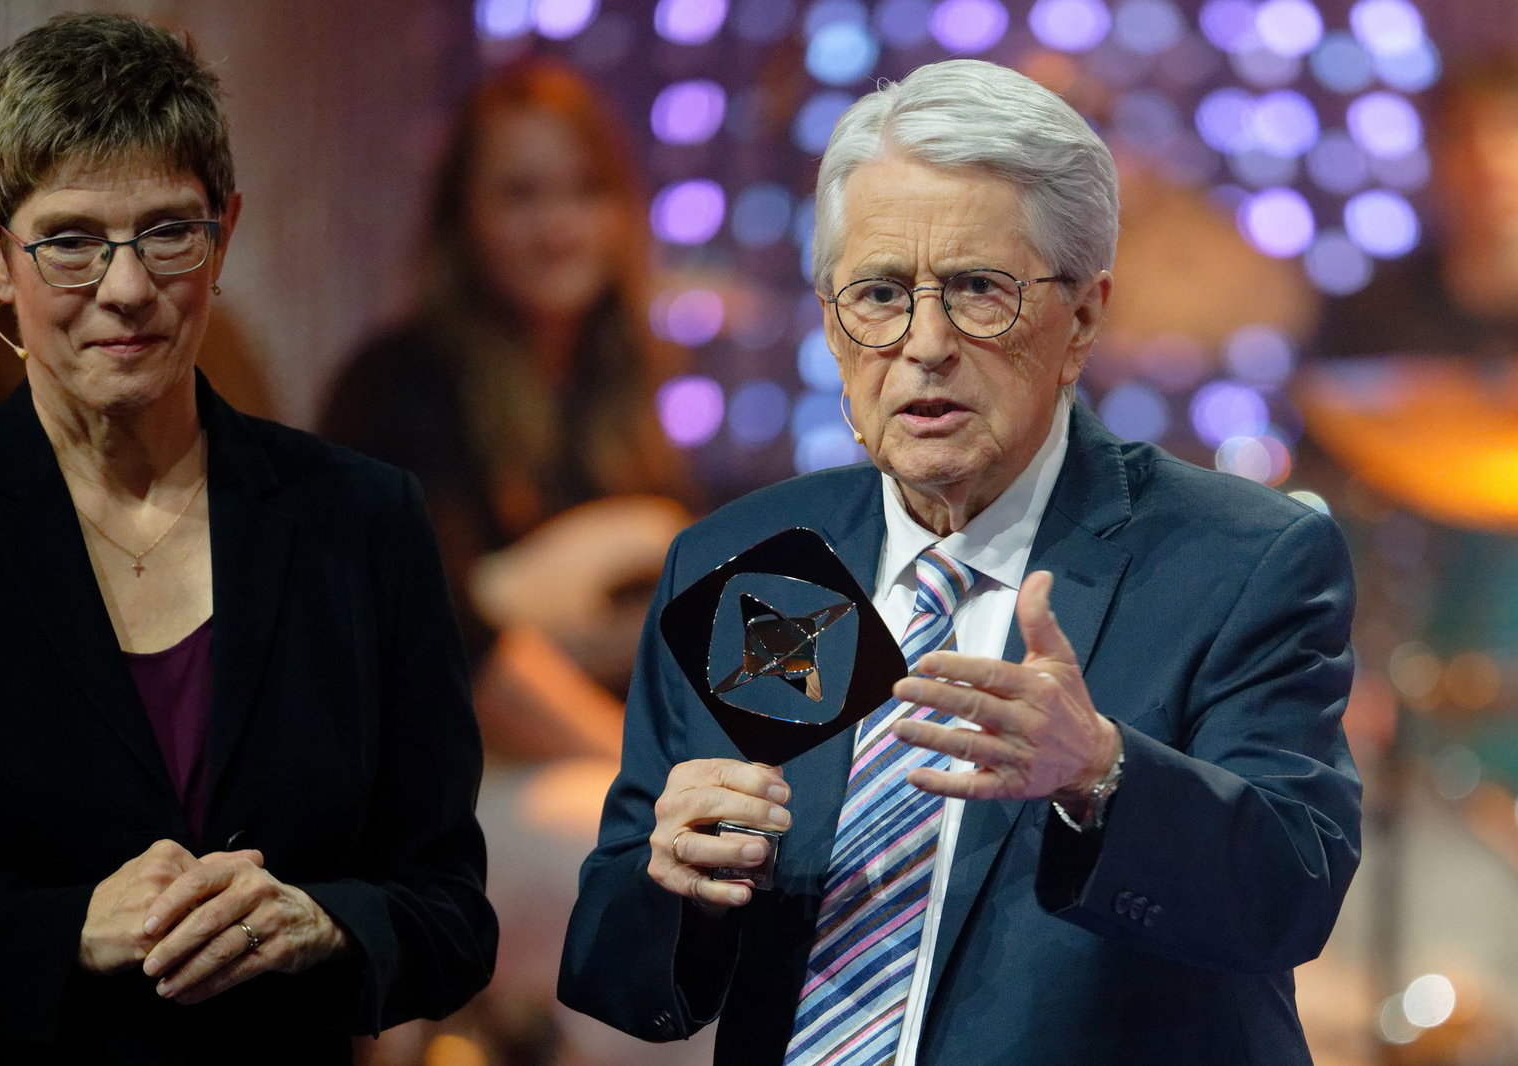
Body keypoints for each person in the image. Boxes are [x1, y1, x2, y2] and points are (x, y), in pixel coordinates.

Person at [559, 59, 1361, 1065]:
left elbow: (1293, 894)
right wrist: (674, 882)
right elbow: (618, 978)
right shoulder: (742, 562)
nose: (924, 342)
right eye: (880, 294)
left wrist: (1102, 775)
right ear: (830, 321)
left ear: (1082, 319)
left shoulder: (1242, 559)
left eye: (979, 291)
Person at [0, 13, 496, 1062]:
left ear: (224, 232)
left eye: (168, 232)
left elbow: (453, 920)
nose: (128, 286)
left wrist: (322, 923)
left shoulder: (361, 522)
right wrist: (68, 931)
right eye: (72, 240)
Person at [321, 59, 695, 765]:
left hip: (569, 751)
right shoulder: (398, 386)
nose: (559, 227)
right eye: (521, 195)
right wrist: (648, 779)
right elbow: (455, 645)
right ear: (462, 218)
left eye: (586, 191)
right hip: (439, 769)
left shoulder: (609, 391)